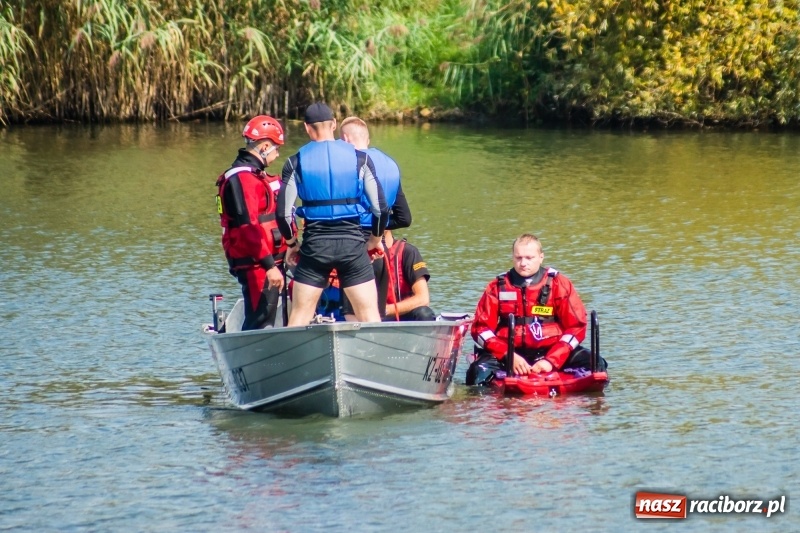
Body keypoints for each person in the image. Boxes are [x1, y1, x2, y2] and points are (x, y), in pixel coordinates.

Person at [276, 102, 389, 326]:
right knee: (369, 315)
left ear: (307, 128)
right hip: (353, 246)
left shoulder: (295, 162)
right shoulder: (360, 159)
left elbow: (283, 214)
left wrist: (292, 243)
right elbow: (381, 208)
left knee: (299, 315)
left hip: (315, 247)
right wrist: (374, 240)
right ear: (334, 124)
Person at [466, 233, 606, 385]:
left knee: (597, 363)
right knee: (477, 371)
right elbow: (480, 329)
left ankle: (593, 402)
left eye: (529, 258)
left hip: (552, 351)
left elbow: (576, 327)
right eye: (518, 258)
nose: (523, 263)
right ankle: (485, 405)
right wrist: (508, 355)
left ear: (541, 257)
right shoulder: (497, 286)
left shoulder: (559, 284)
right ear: (513, 257)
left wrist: (551, 361)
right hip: (510, 353)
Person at [215, 115, 289, 330]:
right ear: (264, 146)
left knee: (268, 317)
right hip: (258, 264)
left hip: (268, 261)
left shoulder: (255, 175)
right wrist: (269, 266)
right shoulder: (242, 179)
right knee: (260, 320)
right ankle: (254, 361)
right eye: (276, 147)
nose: (278, 152)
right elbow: (248, 227)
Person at [338, 116, 412, 320]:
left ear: (345, 139)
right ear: (367, 139)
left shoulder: (349, 163)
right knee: (375, 314)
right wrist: (378, 229)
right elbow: (404, 217)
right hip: (380, 249)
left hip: (355, 244)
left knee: (352, 313)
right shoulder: (391, 164)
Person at [382, 230, 436, 321]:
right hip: (369, 317)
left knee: (424, 313)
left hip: (401, 315)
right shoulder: (359, 253)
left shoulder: (408, 252)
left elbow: (423, 298)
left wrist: (385, 310)